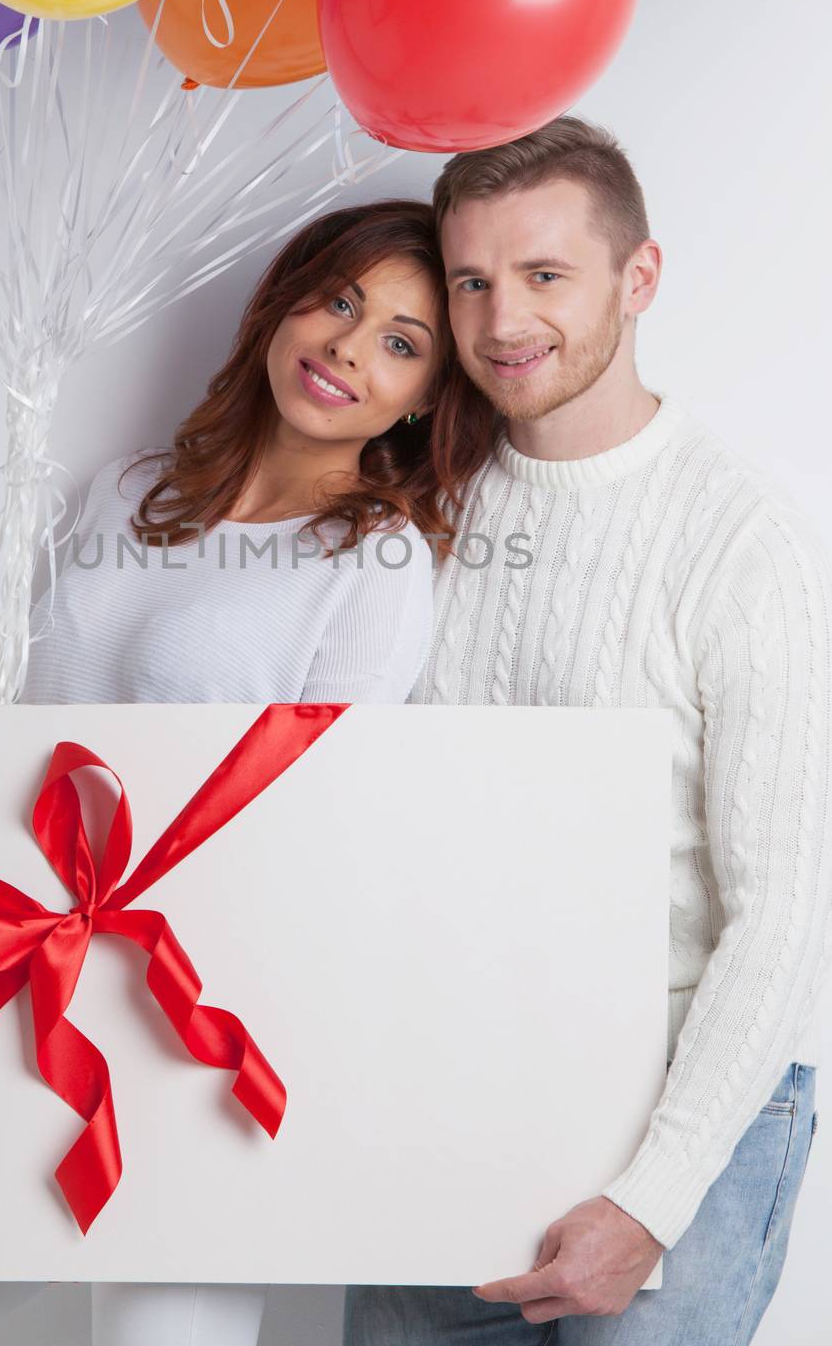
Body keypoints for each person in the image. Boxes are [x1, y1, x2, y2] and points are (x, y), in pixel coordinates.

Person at [0, 200, 492, 1346]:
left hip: (190, 1018)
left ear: (421, 400)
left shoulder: (374, 558)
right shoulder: (124, 491)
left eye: (401, 342)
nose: (351, 346)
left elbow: (327, 815)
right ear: (284, 299)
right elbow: (42, 737)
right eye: (340, 299)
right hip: (33, 990)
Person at [345, 116, 832, 1345]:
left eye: (544, 275)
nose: (500, 321)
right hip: (458, 1074)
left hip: (691, 1103)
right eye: (471, 281)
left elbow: (780, 913)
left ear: (639, 279)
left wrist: (651, 1199)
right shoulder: (419, 509)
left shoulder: (739, 543)